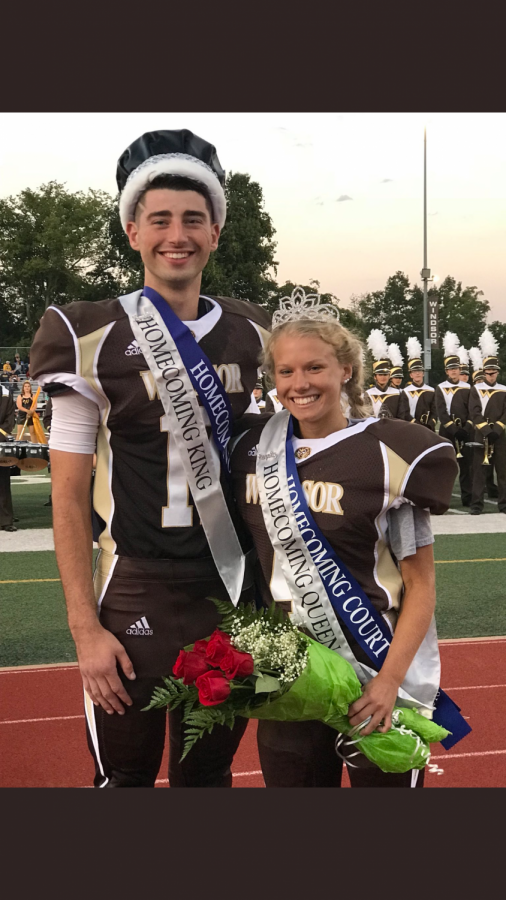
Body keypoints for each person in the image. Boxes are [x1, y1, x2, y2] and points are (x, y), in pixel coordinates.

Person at [30, 128, 271, 788]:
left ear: (216, 232)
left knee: (208, 781)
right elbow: (67, 495)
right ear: (132, 231)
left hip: (230, 590)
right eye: (158, 218)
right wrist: (84, 629)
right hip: (135, 585)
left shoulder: (254, 331)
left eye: (195, 219)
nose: (177, 234)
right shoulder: (91, 332)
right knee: (124, 782)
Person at [230, 297, 458, 788]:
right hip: (289, 672)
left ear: (346, 370)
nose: (300, 383)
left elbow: (421, 587)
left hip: (373, 668)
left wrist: (389, 681)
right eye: (286, 371)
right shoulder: (251, 449)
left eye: (315, 367)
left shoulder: (390, 451)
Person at [469, 330, 506, 515]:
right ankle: (476, 505)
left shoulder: (504, 389)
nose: (491, 376)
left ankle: (504, 504)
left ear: (497, 373)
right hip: (481, 435)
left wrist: (497, 430)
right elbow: (474, 412)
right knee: (479, 472)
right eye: (488, 373)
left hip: (500, 436)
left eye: (493, 373)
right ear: (483, 373)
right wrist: (486, 431)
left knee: (503, 471)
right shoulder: (476, 388)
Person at [435, 331, 472, 507]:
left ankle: (468, 498)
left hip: (465, 431)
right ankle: (444, 499)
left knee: (467, 466)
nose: (454, 371)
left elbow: (472, 410)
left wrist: (466, 429)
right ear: (447, 371)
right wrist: (453, 429)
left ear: (460, 369)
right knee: (446, 467)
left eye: (456, 368)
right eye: (451, 369)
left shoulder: (468, 387)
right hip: (447, 432)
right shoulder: (440, 388)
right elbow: (441, 412)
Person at [397, 337, 436, 430]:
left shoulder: (431, 390)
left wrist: (430, 424)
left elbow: (435, 411)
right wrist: (417, 425)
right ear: (411, 375)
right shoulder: (405, 391)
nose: (417, 373)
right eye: (414, 371)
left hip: (429, 428)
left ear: (423, 373)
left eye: (419, 371)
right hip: (412, 427)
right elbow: (405, 412)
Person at [365, 329, 400, 418]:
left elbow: (402, 415)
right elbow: (367, 416)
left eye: (385, 375)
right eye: (380, 375)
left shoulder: (397, 393)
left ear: (389, 376)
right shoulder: (368, 394)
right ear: (375, 377)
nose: (383, 377)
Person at [0, 385, 16, 532]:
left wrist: (1, 434)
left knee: (3, 483)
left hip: (0, 443)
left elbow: (10, 419)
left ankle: (5, 520)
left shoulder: (5, 394)